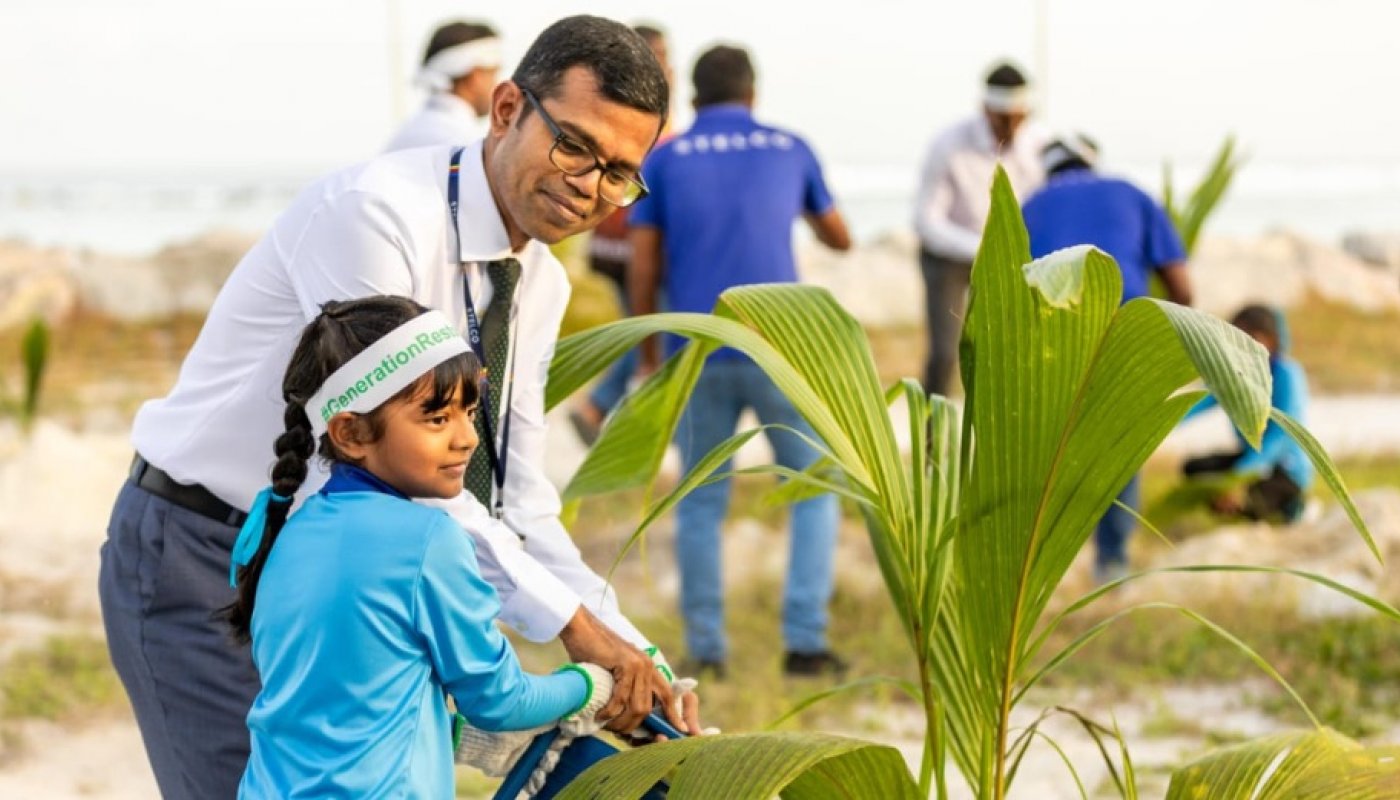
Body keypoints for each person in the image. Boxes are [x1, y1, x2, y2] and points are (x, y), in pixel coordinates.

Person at [98, 17, 695, 799]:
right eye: (574, 147)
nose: (590, 184)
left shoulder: (539, 283)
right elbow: (403, 478)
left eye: (619, 173)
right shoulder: (374, 215)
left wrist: (635, 652)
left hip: (356, 576)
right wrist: (579, 634)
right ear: (507, 108)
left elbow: (515, 497)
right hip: (208, 554)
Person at [226, 296, 613, 797]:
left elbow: (348, 697)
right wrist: (588, 683)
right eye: (437, 419)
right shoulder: (428, 540)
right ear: (351, 432)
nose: (467, 438)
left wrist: (442, 729)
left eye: (468, 411)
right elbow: (500, 700)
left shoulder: (288, 532)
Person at [629, 44, 852, 677]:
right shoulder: (790, 146)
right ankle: (805, 642)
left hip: (697, 347)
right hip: (779, 345)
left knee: (701, 503)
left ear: (692, 97)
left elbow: (644, 263)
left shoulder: (666, 157)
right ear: (753, 93)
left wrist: (649, 351)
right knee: (812, 491)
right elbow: (839, 237)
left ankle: (707, 651)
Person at [1021, 132, 1192, 582]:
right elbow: (1181, 287)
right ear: (1092, 162)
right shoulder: (1131, 193)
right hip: (1121, 329)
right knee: (1118, 446)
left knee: (1047, 449)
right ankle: (1111, 565)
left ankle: (1038, 565)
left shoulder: (1032, 203)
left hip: (1053, 335)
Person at [914, 61, 1049, 396]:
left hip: (1013, 261)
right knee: (945, 354)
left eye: (1018, 118)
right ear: (985, 109)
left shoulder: (1041, 144)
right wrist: (984, 249)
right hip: (950, 256)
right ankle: (931, 427)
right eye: (1002, 118)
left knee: (1015, 350)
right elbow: (927, 221)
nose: (1010, 127)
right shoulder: (948, 144)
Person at [569, 22, 674, 446]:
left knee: (647, 326)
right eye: (661, 58)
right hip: (628, 247)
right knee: (652, 328)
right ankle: (597, 405)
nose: (669, 68)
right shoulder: (642, 118)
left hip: (613, 245)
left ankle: (604, 408)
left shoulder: (625, 111)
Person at [1182, 304, 1312, 522]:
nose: (1243, 348)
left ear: (1271, 340)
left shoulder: (1286, 374)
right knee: (1195, 471)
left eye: (1251, 339)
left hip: (1283, 468)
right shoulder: (1235, 376)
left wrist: (1238, 478)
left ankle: (1292, 506)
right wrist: (1158, 424)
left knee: (1250, 502)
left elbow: (1279, 439)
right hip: (1250, 459)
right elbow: (1195, 403)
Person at [384, 21, 502, 152]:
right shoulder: (463, 143)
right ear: (476, 76)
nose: (497, 84)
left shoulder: (411, 130)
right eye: (493, 74)